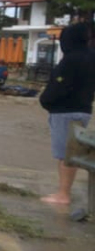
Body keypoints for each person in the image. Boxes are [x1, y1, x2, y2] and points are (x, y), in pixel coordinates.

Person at [39, 21, 95, 204]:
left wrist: (45, 101)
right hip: (84, 109)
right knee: (72, 152)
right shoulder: (91, 57)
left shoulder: (71, 60)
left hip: (65, 111)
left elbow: (58, 85)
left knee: (65, 153)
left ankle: (63, 194)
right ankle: (64, 192)